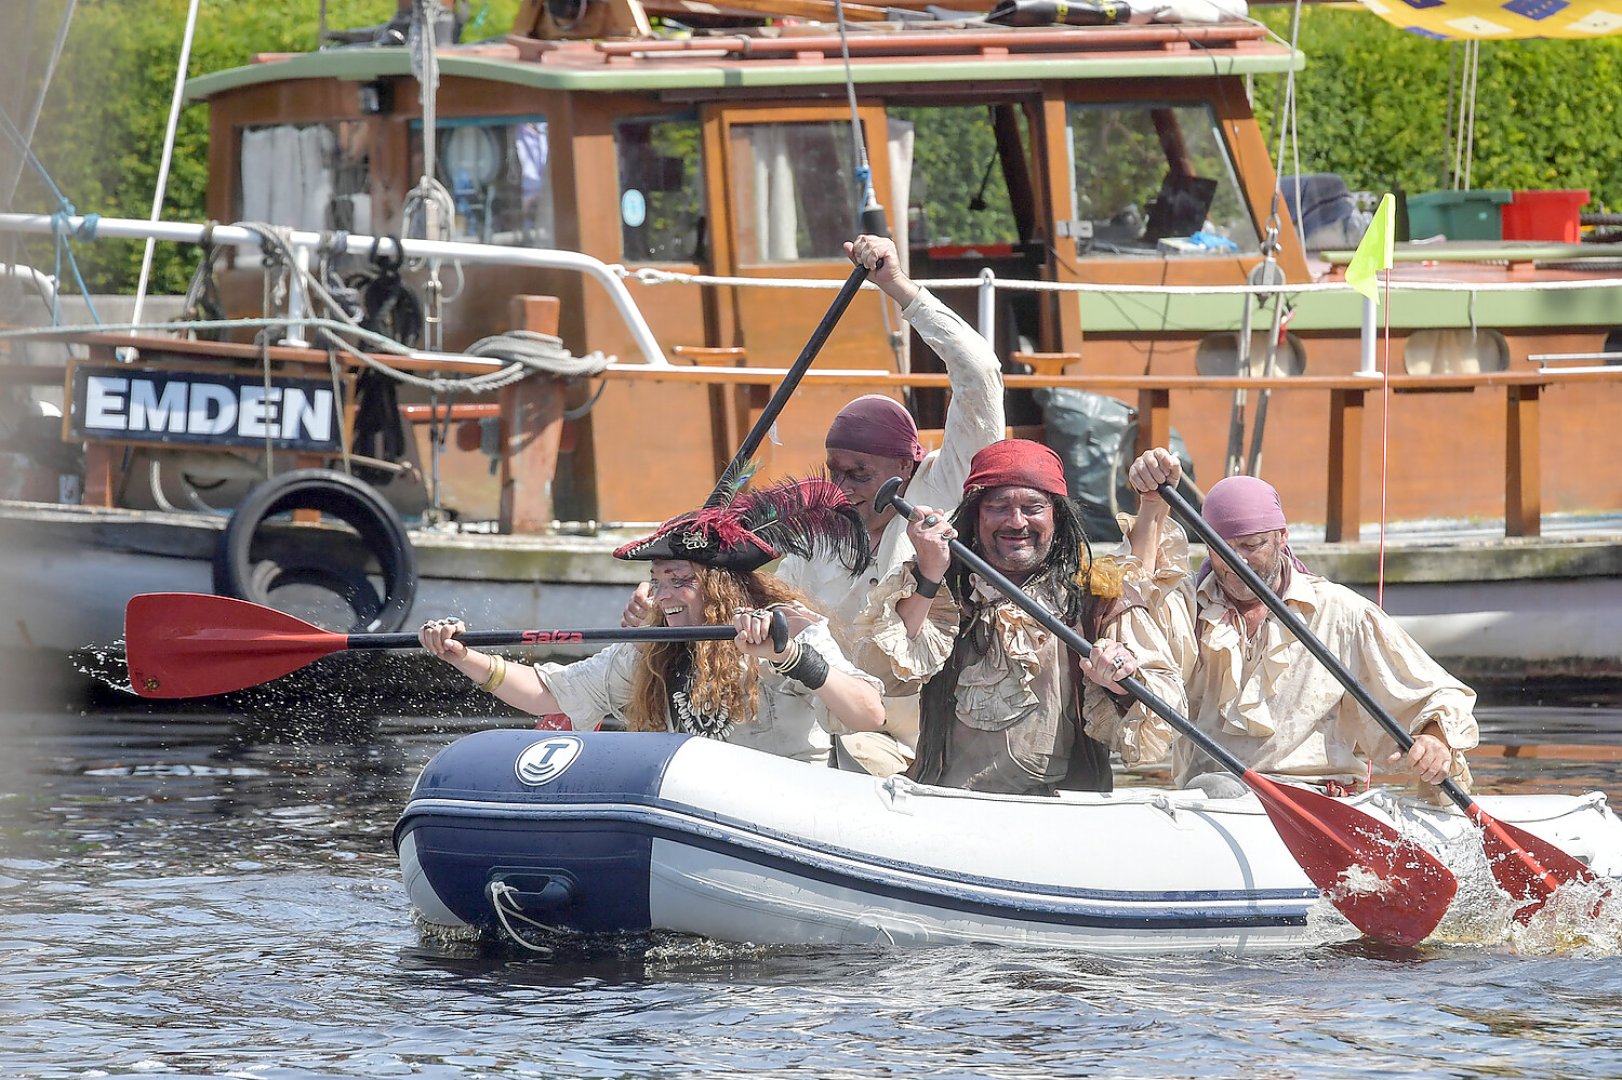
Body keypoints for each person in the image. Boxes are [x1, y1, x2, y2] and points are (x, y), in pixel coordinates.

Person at [624, 234, 1007, 778]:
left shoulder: (944, 486)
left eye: (861, 473)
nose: (844, 487)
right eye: (835, 470)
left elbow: (980, 376)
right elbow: (751, 608)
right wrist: (664, 606)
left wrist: (896, 286)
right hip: (827, 729)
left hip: (922, 729)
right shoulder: (816, 534)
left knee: (856, 757)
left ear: (907, 467)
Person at [1080, 447, 1479, 798]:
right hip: (1212, 804)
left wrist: (1435, 740)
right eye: (1223, 549)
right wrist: (1152, 505)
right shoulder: (1185, 608)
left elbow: (1438, 693)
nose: (1238, 561)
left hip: (1322, 804)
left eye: (1252, 546)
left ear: (1282, 537)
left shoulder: (1339, 611)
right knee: (1218, 787)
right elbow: (1134, 600)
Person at [421, 477, 886, 764]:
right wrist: (462, 656)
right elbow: (551, 693)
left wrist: (789, 657)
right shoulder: (656, 646)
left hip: (785, 816)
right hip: (689, 815)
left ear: (721, 587)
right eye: (656, 580)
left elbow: (869, 713)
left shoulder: (790, 628)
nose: (661, 597)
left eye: (677, 580)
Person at [848, 439, 1185, 795]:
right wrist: (930, 574)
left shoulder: (1093, 599)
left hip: (1059, 813)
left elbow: (1160, 719)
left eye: (1033, 507)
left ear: (1057, 517)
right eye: (998, 506)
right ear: (976, 516)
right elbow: (884, 677)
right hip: (949, 804)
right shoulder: (947, 588)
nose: (1016, 521)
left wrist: (1120, 685)